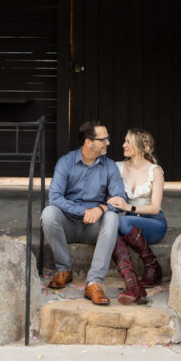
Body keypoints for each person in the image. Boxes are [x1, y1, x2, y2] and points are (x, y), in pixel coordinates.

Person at [41, 120, 126, 305]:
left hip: (94, 227)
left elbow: (120, 197)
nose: (108, 143)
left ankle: (95, 282)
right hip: (68, 224)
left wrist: (100, 208)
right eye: (103, 139)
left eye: (108, 138)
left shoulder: (109, 165)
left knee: (111, 217)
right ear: (88, 142)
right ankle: (64, 269)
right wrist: (84, 210)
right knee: (49, 213)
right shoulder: (66, 162)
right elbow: (55, 198)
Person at [107, 128, 167, 305]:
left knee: (121, 222)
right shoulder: (118, 167)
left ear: (140, 146)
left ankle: (152, 265)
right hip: (128, 224)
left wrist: (128, 206)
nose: (123, 145)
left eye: (128, 141)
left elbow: (155, 208)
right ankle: (132, 283)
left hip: (154, 224)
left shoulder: (155, 171)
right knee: (112, 228)